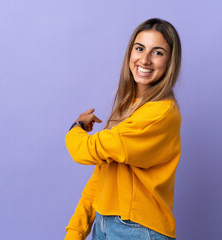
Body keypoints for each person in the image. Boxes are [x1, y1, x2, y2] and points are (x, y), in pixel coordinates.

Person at [64, 18, 182, 240]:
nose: (144, 60)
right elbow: (101, 177)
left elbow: (85, 150)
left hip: (137, 230)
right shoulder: (132, 107)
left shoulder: (159, 114)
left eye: (157, 53)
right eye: (140, 48)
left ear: (170, 62)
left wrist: (76, 127)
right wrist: (75, 232)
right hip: (105, 225)